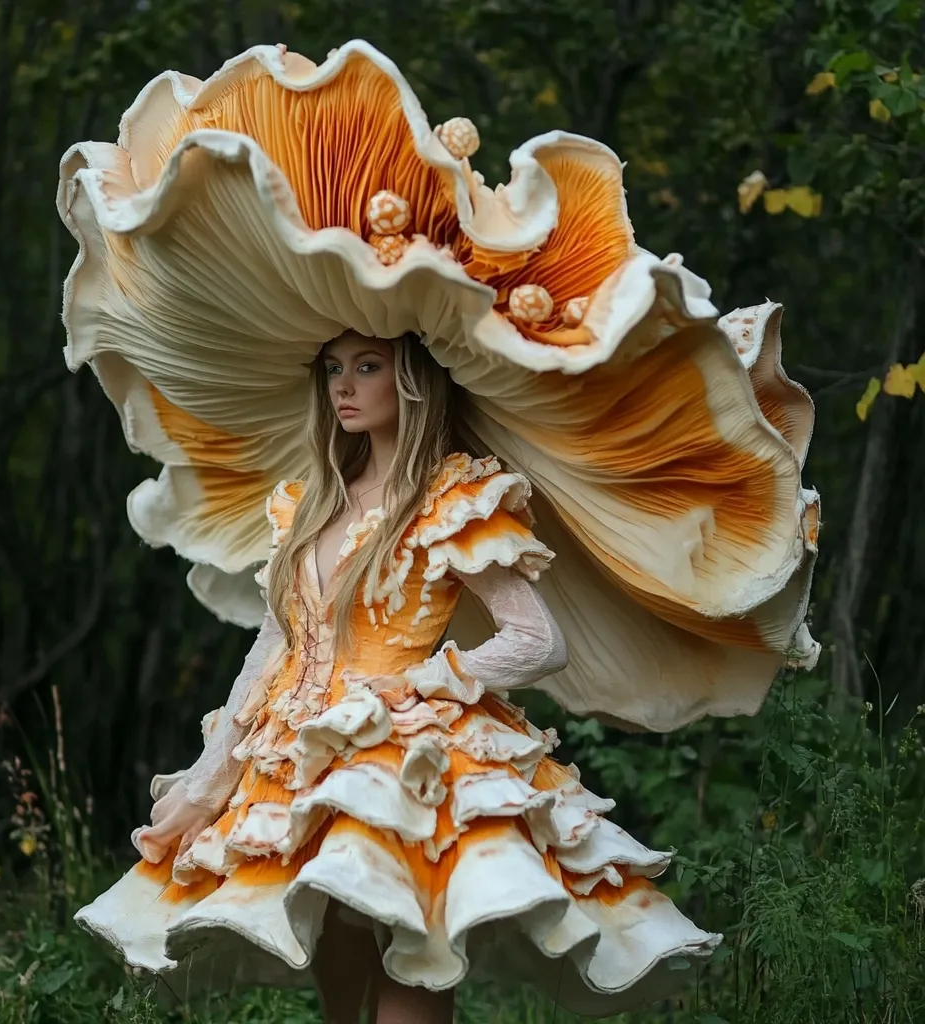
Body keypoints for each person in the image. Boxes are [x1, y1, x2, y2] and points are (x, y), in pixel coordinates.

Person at [58, 39, 819, 1022]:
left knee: (411, 975)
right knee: (339, 982)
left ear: (407, 378)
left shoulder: (455, 499)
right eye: (332, 367)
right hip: (304, 758)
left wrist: (429, 688)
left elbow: (534, 636)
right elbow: (278, 645)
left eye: (365, 365)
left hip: (417, 755)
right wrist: (210, 773)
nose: (343, 385)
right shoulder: (313, 508)